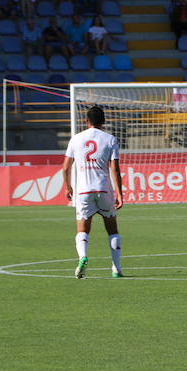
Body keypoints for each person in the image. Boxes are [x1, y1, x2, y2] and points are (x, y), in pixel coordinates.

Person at [62, 105, 125, 279]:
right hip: (104, 188)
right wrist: (119, 193)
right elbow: (115, 169)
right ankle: (116, 268)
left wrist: (68, 187)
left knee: (82, 228)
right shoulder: (111, 139)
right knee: (112, 229)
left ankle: (83, 257)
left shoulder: (76, 139)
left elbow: (65, 167)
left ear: (86, 121)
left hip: (83, 191)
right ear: (103, 121)